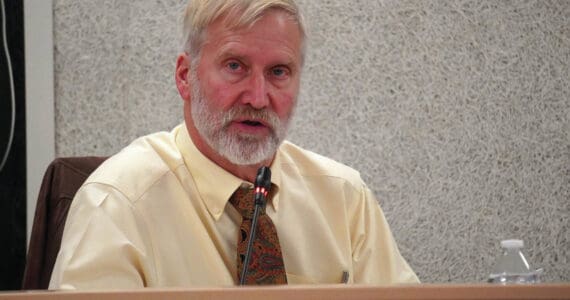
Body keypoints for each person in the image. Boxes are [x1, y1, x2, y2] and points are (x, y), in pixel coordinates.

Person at [49, 0, 419, 289]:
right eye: (235, 66)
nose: (258, 98)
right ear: (185, 77)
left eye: (278, 72)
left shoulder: (344, 198)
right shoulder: (115, 203)